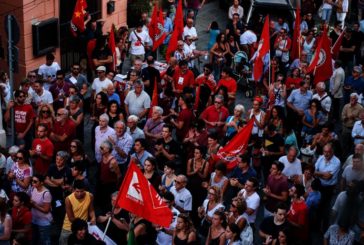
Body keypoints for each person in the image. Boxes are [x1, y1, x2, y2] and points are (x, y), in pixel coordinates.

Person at [59, 180, 96, 245]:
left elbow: (91, 210)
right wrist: (82, 225)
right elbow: (71, 218)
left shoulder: (90, 196)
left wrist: (93, 217)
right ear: (73, 190)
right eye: (77, 191)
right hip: (68, 226)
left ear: (84, 189)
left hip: (82, 228)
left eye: (81, 191)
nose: (79, 193)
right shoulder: (68, 199)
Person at [314, 143, 341, 231]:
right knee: (318, 205)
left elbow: (328, 177)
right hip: (319, 185)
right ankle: (317, 226)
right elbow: (314, 171)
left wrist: (319, 173)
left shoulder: (337, 162)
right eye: (325, 152)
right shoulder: (321, 157)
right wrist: (323, 174)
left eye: (328, 152)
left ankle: (325, 228)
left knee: (326, 208)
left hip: (329, 188)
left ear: (332, 152)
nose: (326, 154)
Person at [30, 174, 52, 245]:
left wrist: (34, 205)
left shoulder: (46, 193)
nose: (32, 183)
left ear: (41, 182)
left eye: (35, 181)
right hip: (34, 220)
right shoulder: (33, 189)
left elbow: (46, 210)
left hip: (43, 222)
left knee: (45, 241)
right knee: (35, 240)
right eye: (32, 181)